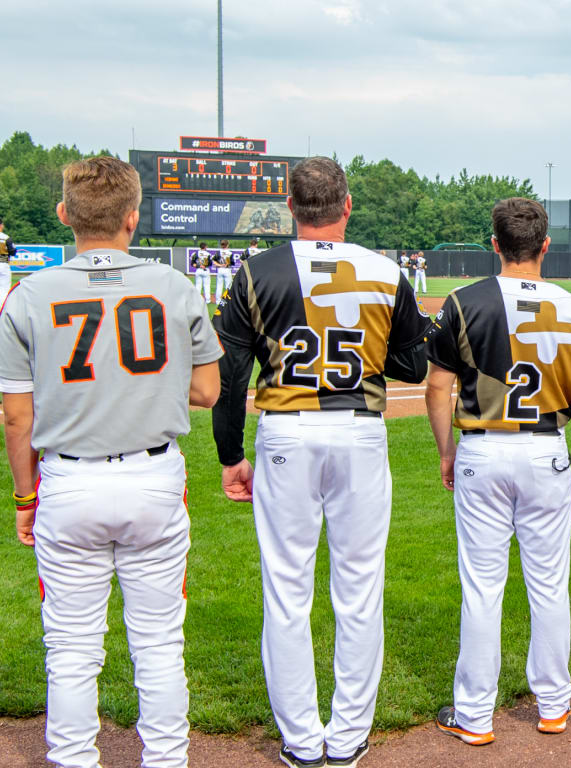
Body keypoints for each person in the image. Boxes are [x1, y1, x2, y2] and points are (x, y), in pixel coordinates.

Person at [0, 155, 222, 768]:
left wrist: (22, 498)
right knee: (160, 644)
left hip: (68, 480)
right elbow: (206, 392)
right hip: (155, 475)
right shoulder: (175, 285)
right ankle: (166, 761)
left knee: (70, 649)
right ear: (133, 219)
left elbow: (17, 417)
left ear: (65, 215)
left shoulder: (28, 294)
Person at [211, 157, 430, 767]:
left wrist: (230, 455)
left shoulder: (257, 272)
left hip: (286, 433)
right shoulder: (385, 272)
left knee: (287, 590)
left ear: (290, 204)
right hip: (360, 431)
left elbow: (230, 376)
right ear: (347, 205)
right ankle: (349, 735)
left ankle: (303, 742)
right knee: (358, 589)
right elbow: (414, 366)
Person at [425, 197, 571, 745]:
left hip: (483, 448)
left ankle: (475, 716)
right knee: (549, 584)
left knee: (483, 588)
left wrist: (445, 452)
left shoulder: (464, 300)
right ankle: (554, 704)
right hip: (545, 450)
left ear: (494, 245)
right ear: (545, 246)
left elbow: (438, 385)